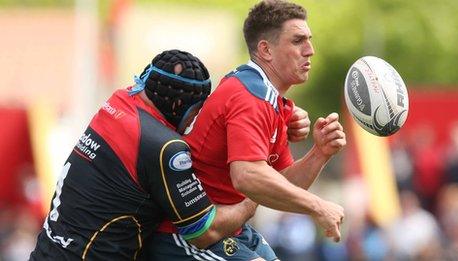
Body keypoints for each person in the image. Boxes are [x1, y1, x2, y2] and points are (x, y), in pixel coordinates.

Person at [29, 49, 310, 260]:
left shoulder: (119, 102)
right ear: (177, 104)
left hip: (47, 250)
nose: (197, 122)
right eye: (196, 112)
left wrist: (279, 120)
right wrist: (256, 194)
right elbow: (205, 231)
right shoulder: (164, 148)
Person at [151, 1, 346, 260]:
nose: (310, 50)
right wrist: (318, 206)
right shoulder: (250, 97)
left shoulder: (271, 99)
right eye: (298, 41)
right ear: (265, 49)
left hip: (230, 229)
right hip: (186, 234)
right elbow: (247, 176)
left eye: (309, 40)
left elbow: (280, 185)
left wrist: (320, 153)